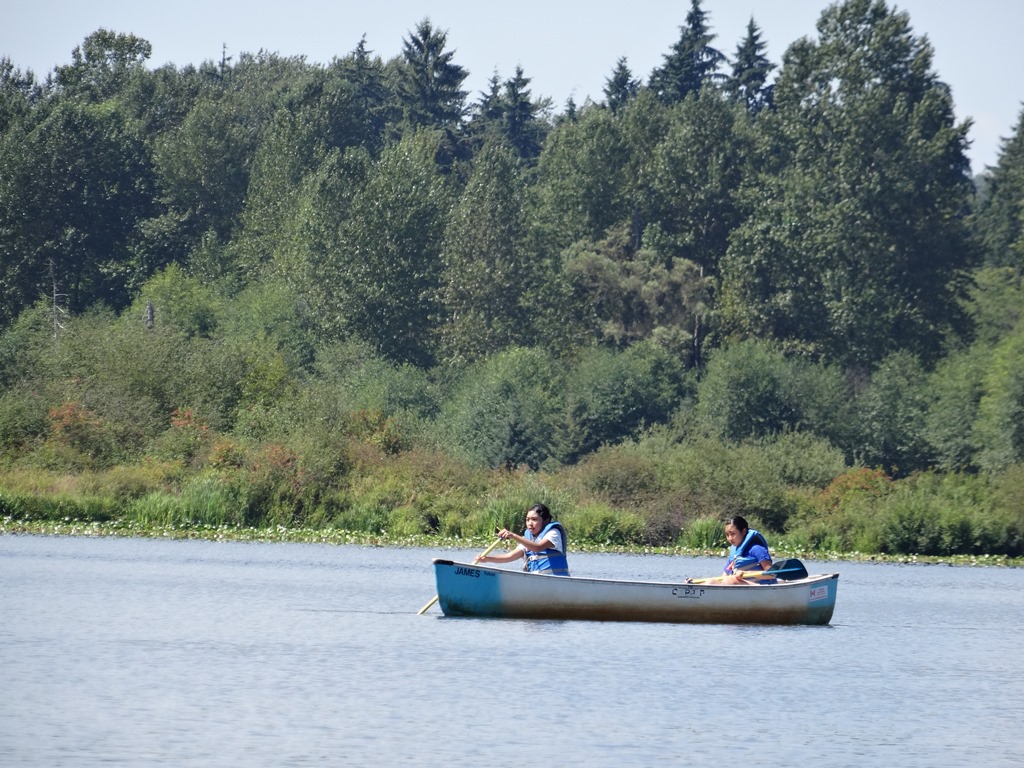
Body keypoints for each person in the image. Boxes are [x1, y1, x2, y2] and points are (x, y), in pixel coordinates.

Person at [475, 503, 570, 576]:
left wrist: (514, 536)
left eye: (534, 519)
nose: (530, 523)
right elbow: (510, 556)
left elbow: (538, 548)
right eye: (527, 519)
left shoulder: (553, 533)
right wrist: (487, 559)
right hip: (536, 581)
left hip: (554, 580)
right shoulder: (528, 538)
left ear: (545, 521)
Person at [690, 516, 773, 585]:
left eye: (733, 534)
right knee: (710, 582)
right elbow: (723, 577)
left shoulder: (757, 549)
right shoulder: (735, 552)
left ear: (743, 531)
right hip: (739, 584)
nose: (730, 538)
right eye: (727, 535)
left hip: (761, 586)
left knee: (728, 581)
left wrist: (747, 573)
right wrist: (696, 583)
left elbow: (772, 574)